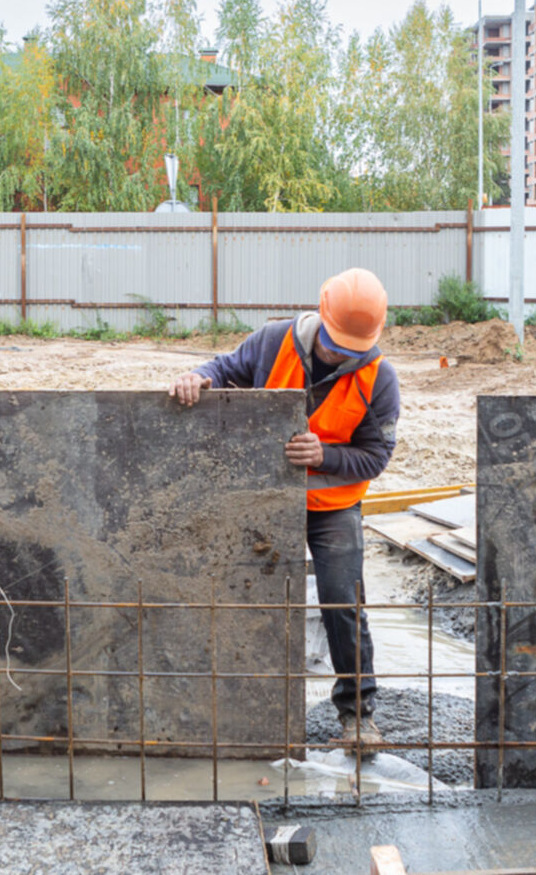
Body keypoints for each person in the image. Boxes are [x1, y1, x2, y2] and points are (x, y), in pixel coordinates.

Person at [168, 267, 399, 751]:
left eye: (356, 350)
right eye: (338, 345)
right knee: (241, 591)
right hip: (264, 497)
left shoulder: (379, 378)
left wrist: (327, 456)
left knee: (343, 600)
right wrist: (197, 378)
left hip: (333, 503)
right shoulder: (274, 342)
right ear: (321, 314)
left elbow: (376, 457)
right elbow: (224, 368)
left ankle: (358, 715)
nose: (344, 356)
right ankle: (235, 708)